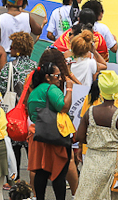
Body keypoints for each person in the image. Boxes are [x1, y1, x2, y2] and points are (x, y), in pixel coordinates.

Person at [73, 71, 118, 200]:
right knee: (113, 195)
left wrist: (94, 141)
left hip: (93, 158)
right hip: (115, 162)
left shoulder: (90, 112)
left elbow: (80, 136)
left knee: (89, 193)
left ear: (101, 90)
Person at [27, 63, 75, 200]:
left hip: (39, 135)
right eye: (57, 75)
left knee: (41, 171)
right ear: (47, 77)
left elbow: (31, 114)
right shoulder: (51, 89)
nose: (60, 78)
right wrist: (69, 89)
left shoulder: (34, 91)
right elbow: (64, 107)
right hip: (55, 136)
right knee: (59, 172)